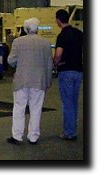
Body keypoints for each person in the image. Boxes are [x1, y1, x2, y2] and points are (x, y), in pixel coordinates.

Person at [7, 17, 53, 145]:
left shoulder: (17, 42)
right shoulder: (46, 43)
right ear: (37, 29)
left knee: (19, 108)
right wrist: (48, 81)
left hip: (21, 80)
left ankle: (17, 136)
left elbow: (11, 61)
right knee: (36, 108)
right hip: (39, 81)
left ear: (26, 29)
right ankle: (33, 136)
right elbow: (49, 64)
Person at [54, 9, 83, 141]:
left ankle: (69, 132)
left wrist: (55, 63)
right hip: (78, 70)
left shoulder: (62, 36)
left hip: (66, 71)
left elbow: (59, 54)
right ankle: (73, 129)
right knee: (74, 102)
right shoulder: (79, 33)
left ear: (58, 20)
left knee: (67, 103)